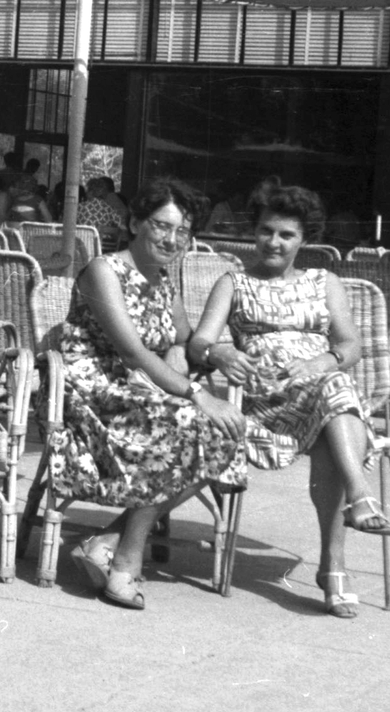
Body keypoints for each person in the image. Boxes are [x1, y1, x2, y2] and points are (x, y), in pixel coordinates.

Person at [188, 177, 390, 619]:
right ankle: (350, 524)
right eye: (266, 231)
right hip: (266, 402)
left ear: (304, 239)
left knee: (333, 391)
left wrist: (319, 363)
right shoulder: (234, 282)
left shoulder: (325, 282)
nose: (274, 242)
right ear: (254, 231)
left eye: (286, 234)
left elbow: (350, 345)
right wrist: (222, 351)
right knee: (338, 405)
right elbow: (198, 343)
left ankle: (336, 556)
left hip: (319, 392)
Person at [46, 176, 246, 610]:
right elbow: (132, 353)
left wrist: (202, 349)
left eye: (182, 231)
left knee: (226, 432)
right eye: (161, 226)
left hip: (144, 392)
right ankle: (125, 563)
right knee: (192, 420)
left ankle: (111, 541)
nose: (172, 239)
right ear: (135, 223)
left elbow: (185, 336)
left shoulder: (162, 281)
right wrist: (196, 392)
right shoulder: (104, 271)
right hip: (97, 394)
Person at [79, 175, 128, 249]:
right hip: (102, 249)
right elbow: (122, 225)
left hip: (82, 246)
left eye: (87, 191)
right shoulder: (108, 208)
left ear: (90, 192)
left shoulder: (80, 207)